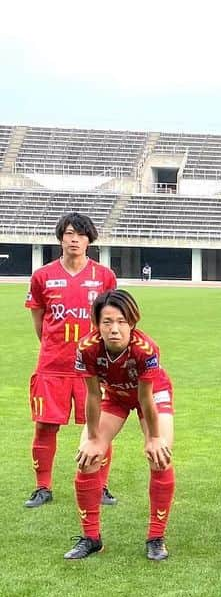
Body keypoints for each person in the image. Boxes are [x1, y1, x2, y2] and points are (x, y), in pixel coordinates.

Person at [66, 290, 176, 561]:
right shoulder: (87, 347)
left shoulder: (145, 349)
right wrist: (93, 438)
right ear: (97, 324)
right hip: (114, 396)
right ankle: (91, 538)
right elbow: (92, 395)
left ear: (132, 322)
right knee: (87, 457)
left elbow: (145, 397)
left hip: (150, 395)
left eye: (121, 321)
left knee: (159, 457)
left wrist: (153, 437)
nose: (114, 328)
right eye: (107, 322)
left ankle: (156, 537)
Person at [24, 212, 118, 509]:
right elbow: (40, 322)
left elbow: (112, 320)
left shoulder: (104, 276)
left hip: (92, 368)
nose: (74, 239)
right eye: (68, 233)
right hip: (53, 366)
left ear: (90, 239)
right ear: (60, 238)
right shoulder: (42, 276)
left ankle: (100, 486)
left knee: (98, 429)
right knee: (45, 426)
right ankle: (43, 487)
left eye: (80, 233)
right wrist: (56, 347)